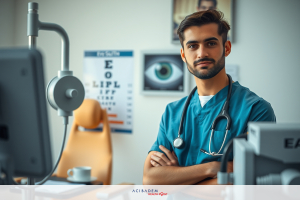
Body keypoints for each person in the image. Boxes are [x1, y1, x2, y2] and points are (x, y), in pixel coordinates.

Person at [143, 10, 276, 185]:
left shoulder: (256, 110)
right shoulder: (172, 112)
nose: (201, 53)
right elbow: (150, 179)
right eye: (192, 46)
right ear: (183, 55)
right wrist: (213, 168)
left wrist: (176, 179)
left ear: (226, 48)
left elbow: (247, 181)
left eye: (211, 43)